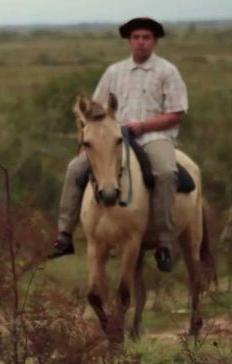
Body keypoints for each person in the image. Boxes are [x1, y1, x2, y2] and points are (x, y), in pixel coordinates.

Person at [50, 17, 188, 272]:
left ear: (155, 41)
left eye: (146, 37)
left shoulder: (167, 71)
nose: (141, 42)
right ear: (129, 41)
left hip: (153, 137)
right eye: (136, 37)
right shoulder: (114, 72)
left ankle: (166, 243)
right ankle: (64, 234)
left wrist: (144, 126)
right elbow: (95, 109)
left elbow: (177, 113)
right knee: (75, 169)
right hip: (113, 139)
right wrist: (89, 139)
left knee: (167, 173)